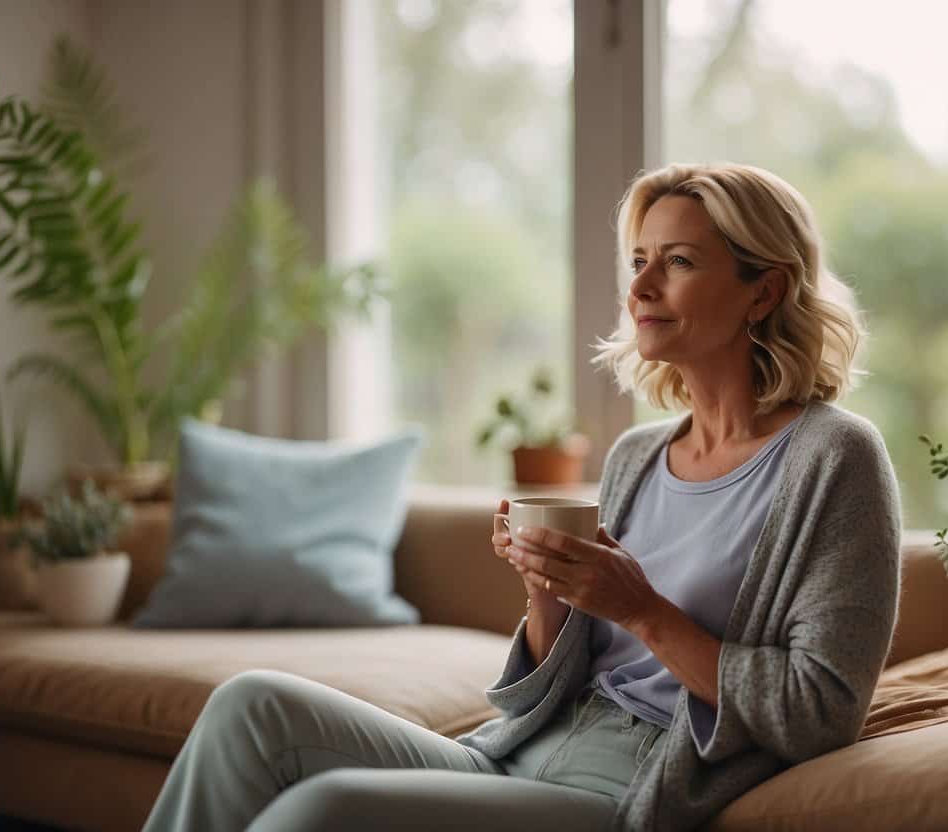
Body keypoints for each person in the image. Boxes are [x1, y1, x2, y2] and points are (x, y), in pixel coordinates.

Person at [139, 162, 901, 832]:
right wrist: (548, 592)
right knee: (252, 703)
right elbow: (551, 681)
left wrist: (638, 608)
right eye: (637, 260)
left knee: (324, 810)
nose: (639, 287)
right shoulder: (638, 454)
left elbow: (820, 713)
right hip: (518, 753)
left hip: (627, 787)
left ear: (762, 290)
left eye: (676, 262)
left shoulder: (833, 458)